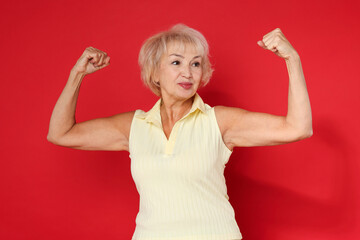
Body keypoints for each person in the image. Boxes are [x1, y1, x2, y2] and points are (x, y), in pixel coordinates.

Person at [47, 24, 313, 240]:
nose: (188, 72)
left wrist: (293, 59)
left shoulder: (218, 121)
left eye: (196, 64)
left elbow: (297, 127)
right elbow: (61, 133)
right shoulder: (134, 126)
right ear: (155, 73)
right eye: (176, 62)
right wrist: (77, 74)